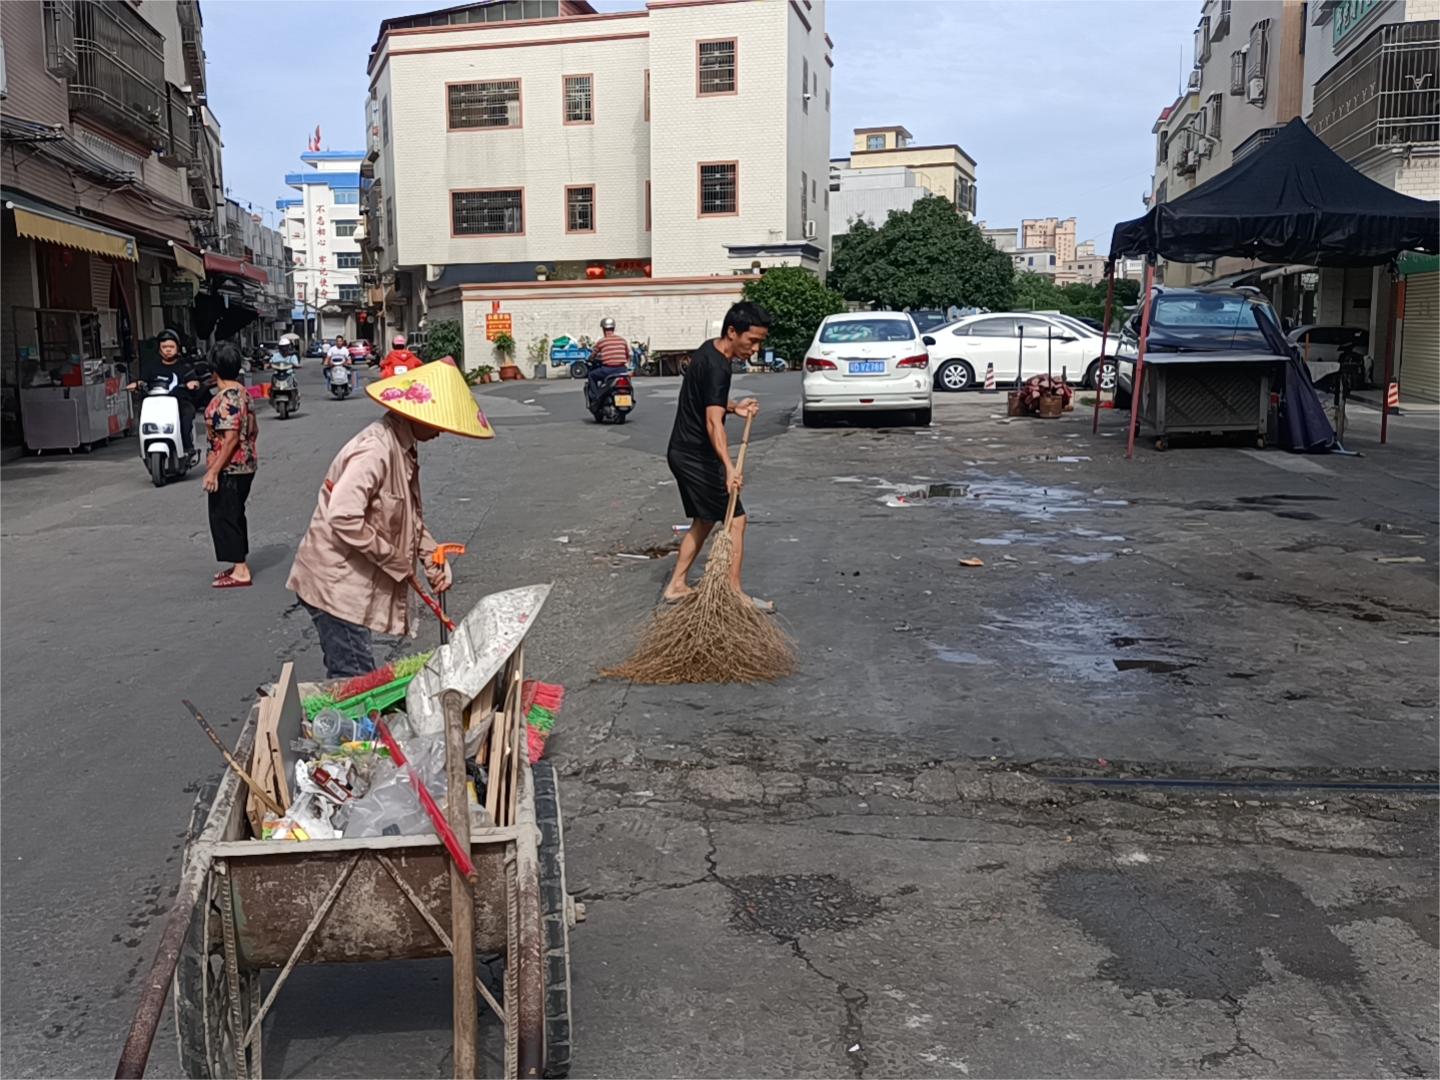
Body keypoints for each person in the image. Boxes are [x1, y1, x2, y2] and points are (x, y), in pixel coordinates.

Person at [286, 360, 495, 678]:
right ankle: (345, 727)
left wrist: (430, 554)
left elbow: (403, 513)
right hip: (334, 582)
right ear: (416, 415)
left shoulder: (402, 446)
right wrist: (397, 560)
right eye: (439, 422)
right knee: (355, 678)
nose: (441, 431)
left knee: (354, 672)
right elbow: (342, 516)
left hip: (348, 581)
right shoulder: (376, 450)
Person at [662, 301, 771, 610]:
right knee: (737, 519)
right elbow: (712, 422)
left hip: (684, 452)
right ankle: (734, 593)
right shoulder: (718, 366)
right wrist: (729, 467)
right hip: (693, 455)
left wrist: (734, 407)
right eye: (752, 341)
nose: (755, 349)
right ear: (733, 332)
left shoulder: (709, 351)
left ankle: (676, 585)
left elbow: (707, 401)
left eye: (760, 342)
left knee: (706, 519)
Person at [202, 343, 259, 589]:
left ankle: (241, 570)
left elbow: (231, 438)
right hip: (245, 463)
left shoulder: (227, 399)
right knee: (234, 513)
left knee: (224, 515)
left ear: (214, 369)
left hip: (229, 467)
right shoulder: (243, 393)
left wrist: (214, 470)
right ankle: (238, 563)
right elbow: (253, 428)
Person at [127, 329, 204, 457]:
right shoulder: (151, 367)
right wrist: (136, 384)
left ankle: (187, 445)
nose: (168, 349)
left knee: (186, 416)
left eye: (171, 346)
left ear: (178, 348)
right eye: (164, 347)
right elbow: (142, 381)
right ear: (159, 349)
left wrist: (193, 384)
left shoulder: (185, 367)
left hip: (180, 403)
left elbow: (194, 381)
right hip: (156, 405)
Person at [587, 316, 631, 399]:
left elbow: (593, 355)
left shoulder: (601, 341)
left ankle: (596, 397)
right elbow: (628, 355)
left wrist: (590, 358)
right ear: (613, 328)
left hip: (608, 370)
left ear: (603, 329)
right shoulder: (622, 340)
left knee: (591, 376)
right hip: (622, 369)